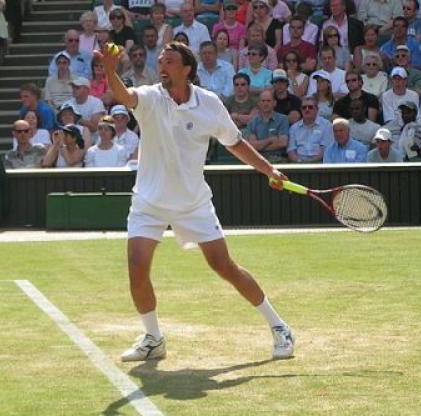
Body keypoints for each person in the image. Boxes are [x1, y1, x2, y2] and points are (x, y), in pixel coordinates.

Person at [97, 41, 294, 362]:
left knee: (224, 266)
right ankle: (153, 338)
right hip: (149, 201)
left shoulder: (209, 103)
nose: (162, 66)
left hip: (193, 203)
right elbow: (124, 95)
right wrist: (109, 71)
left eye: (169, 61)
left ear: (186, 69)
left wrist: (268, 169)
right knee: (136, 269)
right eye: (161, 61)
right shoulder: (150, 97)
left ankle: (279, 326)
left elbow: (235, 142)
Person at [245, 89, 288, 162]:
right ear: (259, 103)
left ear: (274, 103)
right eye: (263, 101)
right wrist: (270, 140)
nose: (265, 103)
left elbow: (282, 143)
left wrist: (260, 146)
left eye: (268, 101)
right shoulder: (252, 122)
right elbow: (252, 146)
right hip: (258, 159)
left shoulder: (283, 119)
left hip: (278, 159)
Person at [287, 97, 333, 163]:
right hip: (299, 164)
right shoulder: (294, 128)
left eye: (310, 107)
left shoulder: (327, 125)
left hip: (320, 163)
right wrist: (300, 162)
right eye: (304, 107)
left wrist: (310, 163)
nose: (307, 109)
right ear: (301, 110)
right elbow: (291, 151)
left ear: (317, 109)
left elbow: (326, 149)